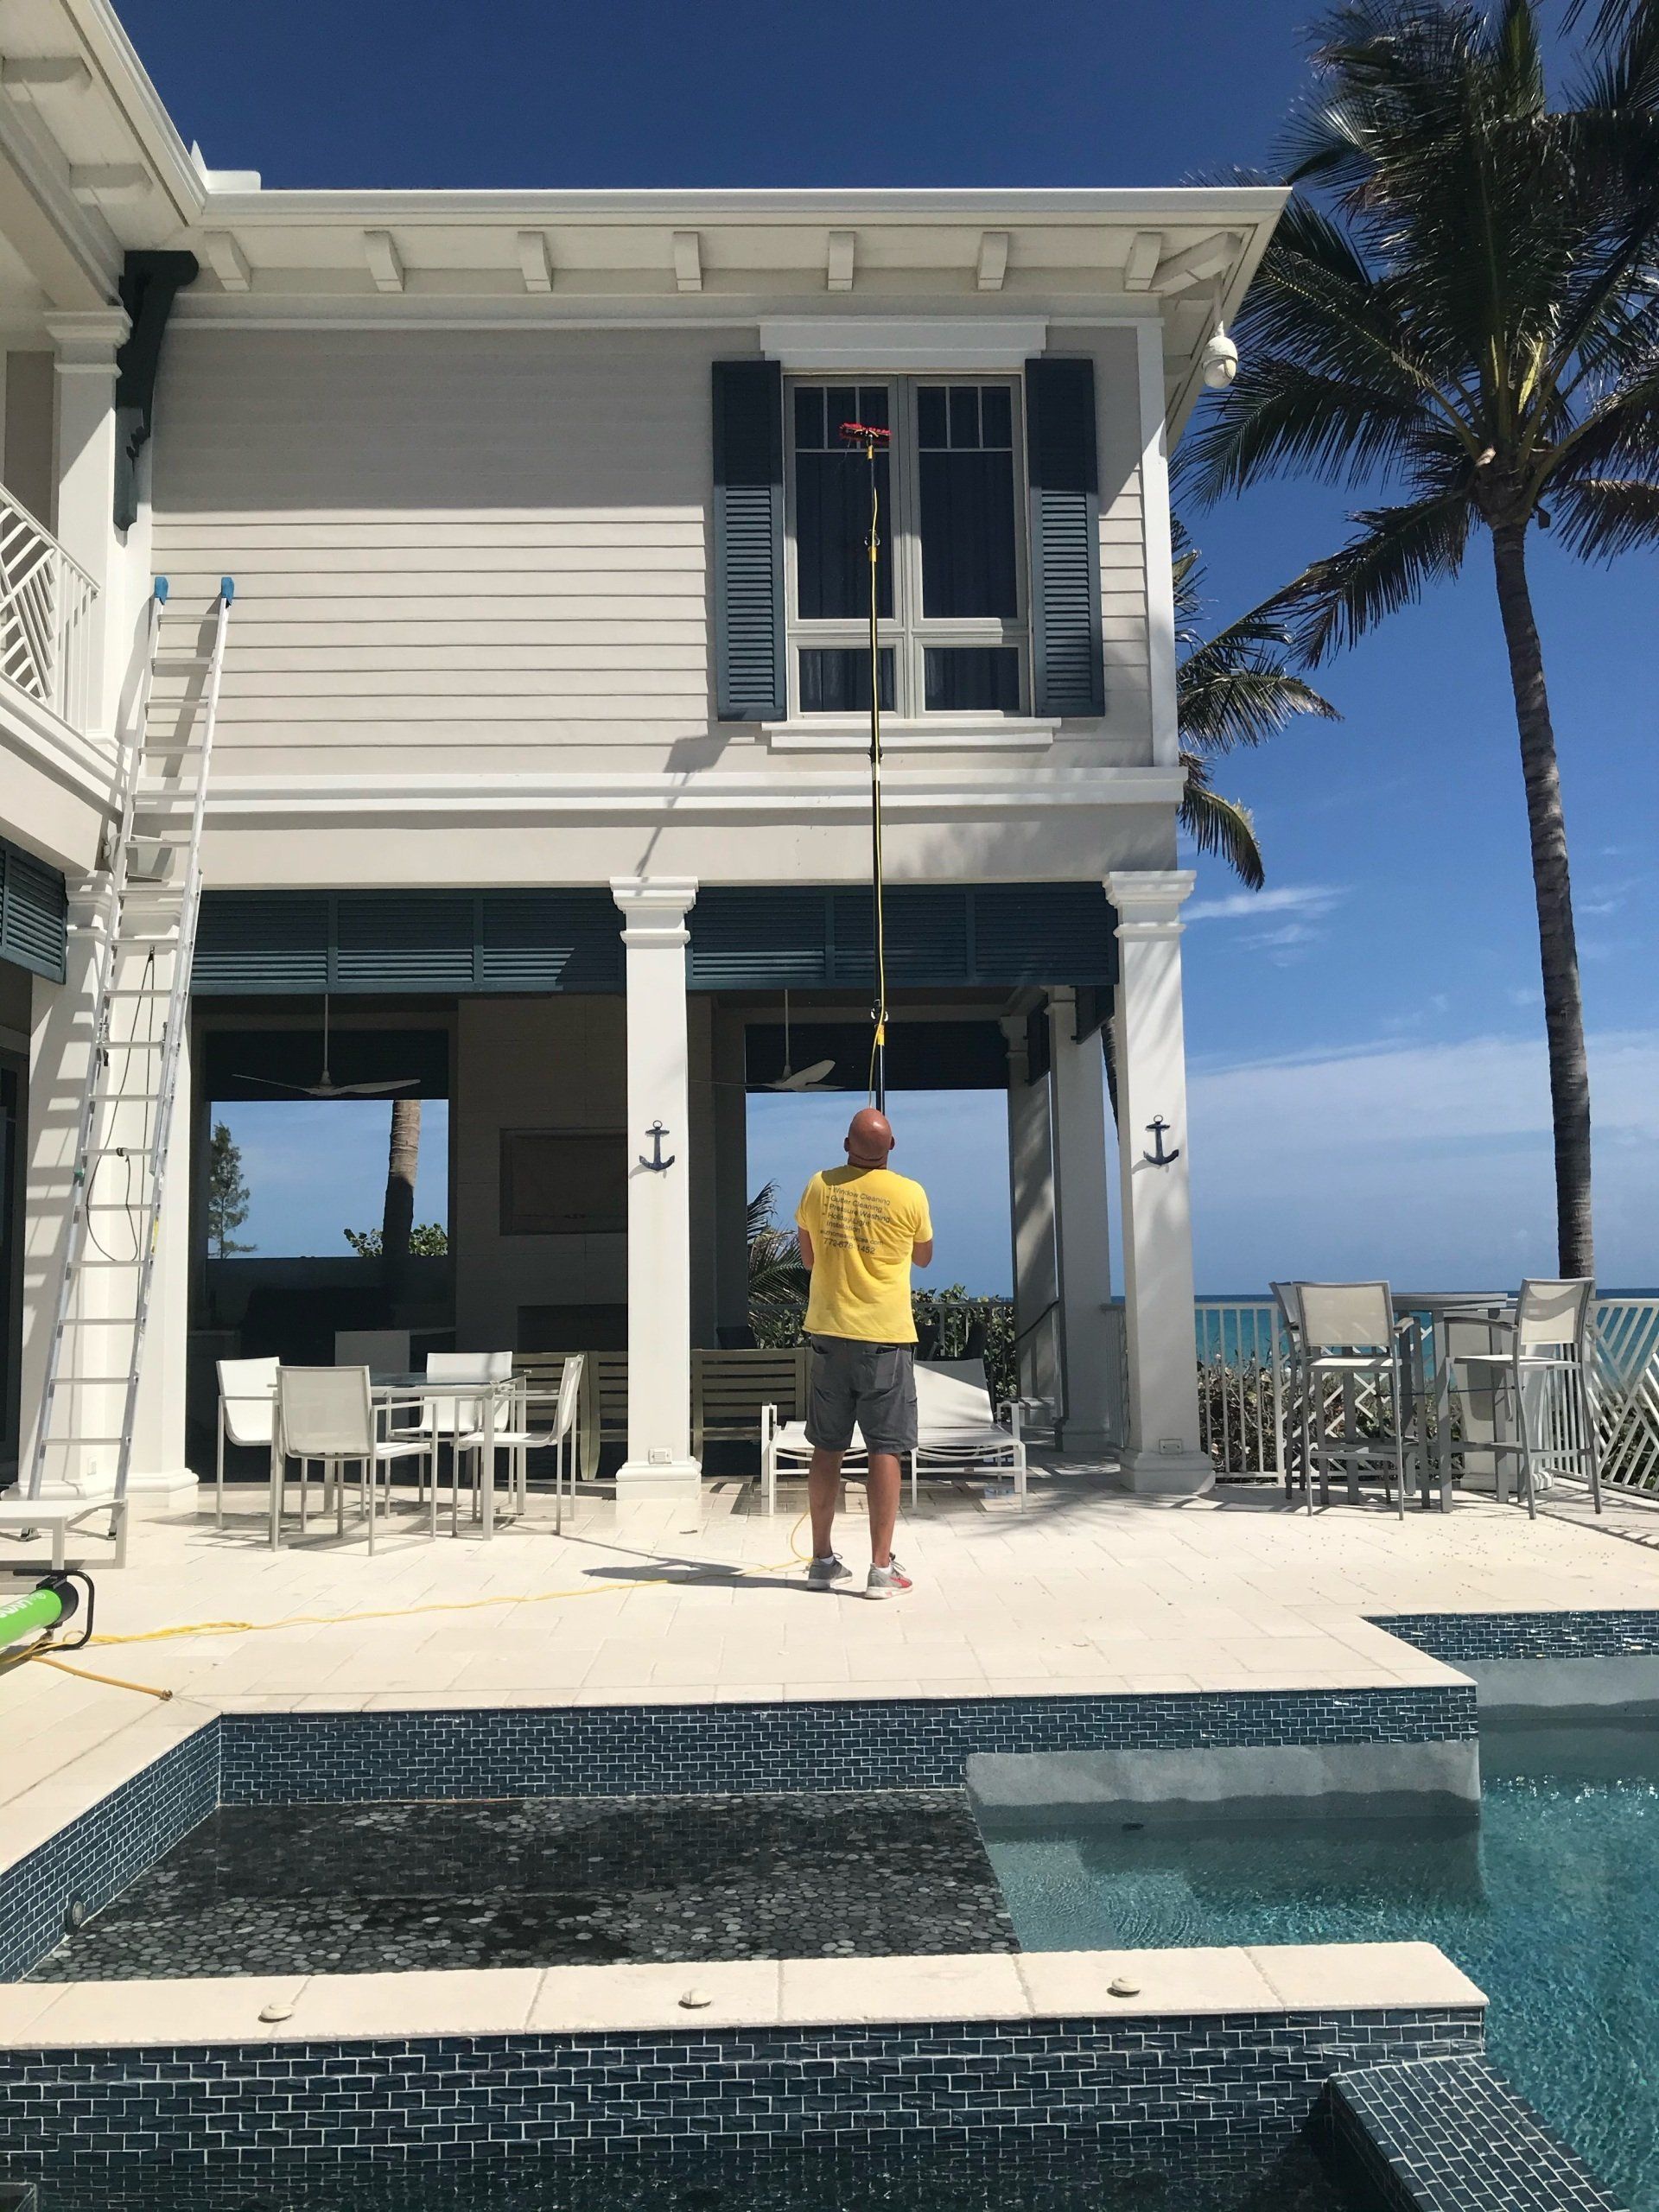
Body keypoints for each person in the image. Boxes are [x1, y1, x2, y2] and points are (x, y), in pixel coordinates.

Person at [794, 1107, 933, 1599]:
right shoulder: (910, 1193)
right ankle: (880, 1568)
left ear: (845, 1143)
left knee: (827, 1446)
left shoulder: (819, 1186)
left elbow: (808, 1258)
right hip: (886, 1337)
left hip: (830, 1335)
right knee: (885, 1447)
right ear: (892, 1147)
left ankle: (822, 1559)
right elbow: (923, 1255)